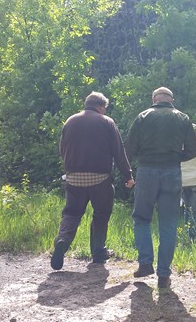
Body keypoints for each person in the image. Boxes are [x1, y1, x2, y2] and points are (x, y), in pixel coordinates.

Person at [125, 86, 196, 289]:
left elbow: (129, 148)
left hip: (147, 171)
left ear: (154, 99)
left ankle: (145, 262)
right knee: (168, 223)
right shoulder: (183, 118)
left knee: (141, 218)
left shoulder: (142, 116)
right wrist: (176, 157)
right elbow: (193, 150)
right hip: (172, 172)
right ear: (171, 100)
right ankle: (164, 275)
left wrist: (128, 171)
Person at [51, 92, 135, 271]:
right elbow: (118, 152)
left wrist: (70, 169)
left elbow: (62, 149)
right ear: (101, 106)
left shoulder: (70, 121)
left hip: (74, 178)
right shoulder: (106, 122)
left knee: (72, 213)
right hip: (100, 179)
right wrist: (128, 176)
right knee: (101, 214)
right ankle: (98, 253)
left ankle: (62, 241)